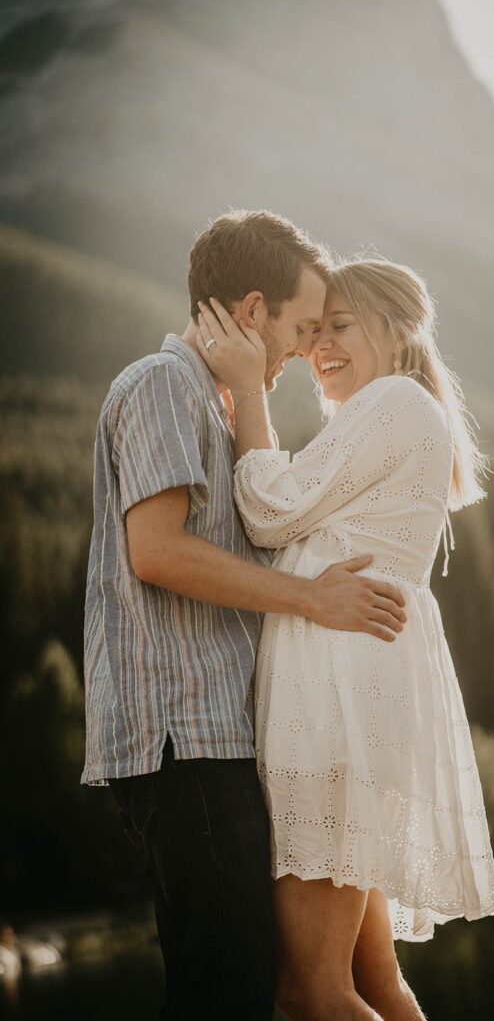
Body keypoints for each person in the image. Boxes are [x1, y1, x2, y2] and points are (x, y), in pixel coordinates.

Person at [80, 211, 408, 1021]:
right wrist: (313, 598)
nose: (303, 350)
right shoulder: (162, 385)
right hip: (181, 742)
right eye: (298, 327)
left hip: (217, 741)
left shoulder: (219, 408)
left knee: (251, 990)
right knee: (223, 993)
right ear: (252, 310)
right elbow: (154, 551)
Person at [197, 256, 494, 1021]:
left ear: (397, 331)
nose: (319, 349)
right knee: (371, 985)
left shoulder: (393, 400)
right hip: (352, 698)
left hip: (336, 701)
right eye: (313, 334)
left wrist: (240, 391)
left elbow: (269, 510)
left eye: (339, 327)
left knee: (309, 994)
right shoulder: (395, 408)